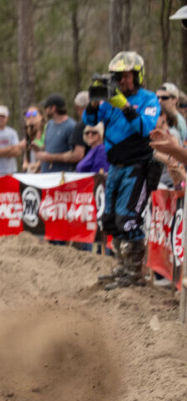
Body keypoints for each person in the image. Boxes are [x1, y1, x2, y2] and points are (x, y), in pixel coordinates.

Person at [83, 51, 161, 290]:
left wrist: (125, 106)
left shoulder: (149, 99)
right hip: (114, 168)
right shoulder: (110, 100)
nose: (122, 81)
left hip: (137, 167)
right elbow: (90, 118)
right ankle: (122, 266)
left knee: (128, 219)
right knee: (109, 220)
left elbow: (145, 128)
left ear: (137, 76)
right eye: (117, 77)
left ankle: (135, 272)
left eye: (126, 76)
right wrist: (95, 100)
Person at [36, 93, 82, 172]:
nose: (45, 110)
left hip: (62, 176)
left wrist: (50, 157)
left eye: (46, 107)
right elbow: (50, 147)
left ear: (53, 108)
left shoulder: (71, 126)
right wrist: (39, 149)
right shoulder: (49, 124)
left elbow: (75, 155)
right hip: (46, 176)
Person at [22, 106, 45, 173]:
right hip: (31, 174)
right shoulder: (28, 134)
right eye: (28, 114)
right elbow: (25, 163)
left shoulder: (47, 130)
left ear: (41, 116)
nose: (31, 117)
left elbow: (48, 149)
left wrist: (37, 165)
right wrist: (26, 164)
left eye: (34, 114)